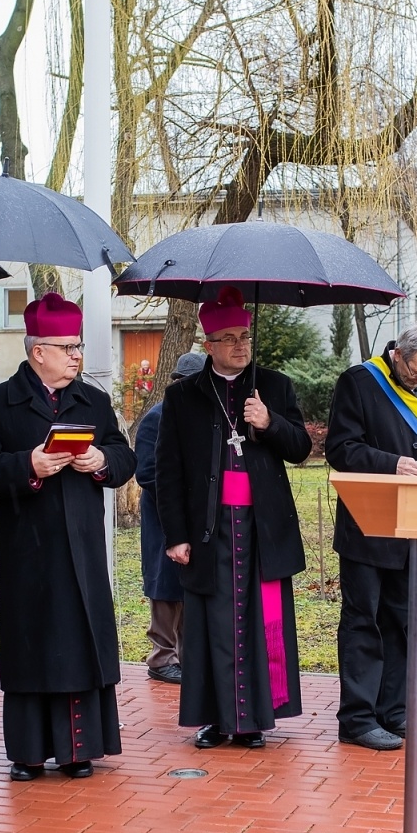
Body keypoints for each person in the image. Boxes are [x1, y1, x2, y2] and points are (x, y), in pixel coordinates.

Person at [0, 292, 136, 781]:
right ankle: (30, 753)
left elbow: (125, 459)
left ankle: (80, 750)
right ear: (38, 352)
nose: (78, 355)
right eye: (68, 347)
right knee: (32, 644)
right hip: (27, 547)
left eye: (78, 346)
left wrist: (101, 461)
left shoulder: (93, 400)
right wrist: (27, 465)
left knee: (80, 640)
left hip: (82, 546)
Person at [157, 290, 313, 749]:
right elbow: (168, 472)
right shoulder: (183, 395)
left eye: (245, 336)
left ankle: (254, 720)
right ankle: (216, 718)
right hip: (210, 530)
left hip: (263, 529)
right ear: (208, 344)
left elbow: (302, 449)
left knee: (261, 620)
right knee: (213, 623)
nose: (240, 346)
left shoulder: (275, 386)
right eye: (228, 338)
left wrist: (270, 423)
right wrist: (175, 536)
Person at [325, 323, 417, 751]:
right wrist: (391, 464)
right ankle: (357, 717)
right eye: (416, 374)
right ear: (398, 356)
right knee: (364, 621)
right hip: (368, 527)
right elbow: (340, 448)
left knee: (404, 621)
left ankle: (395, 708)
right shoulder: (359, 382)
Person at [134, 351, 206, 684]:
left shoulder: (206, 416)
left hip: (198, 519)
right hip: (164, 518)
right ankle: (161, 658)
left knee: (191, 588)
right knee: (166, 590)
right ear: (176, 382)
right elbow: (147, 472)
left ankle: (189, 657)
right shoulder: (156, 418)